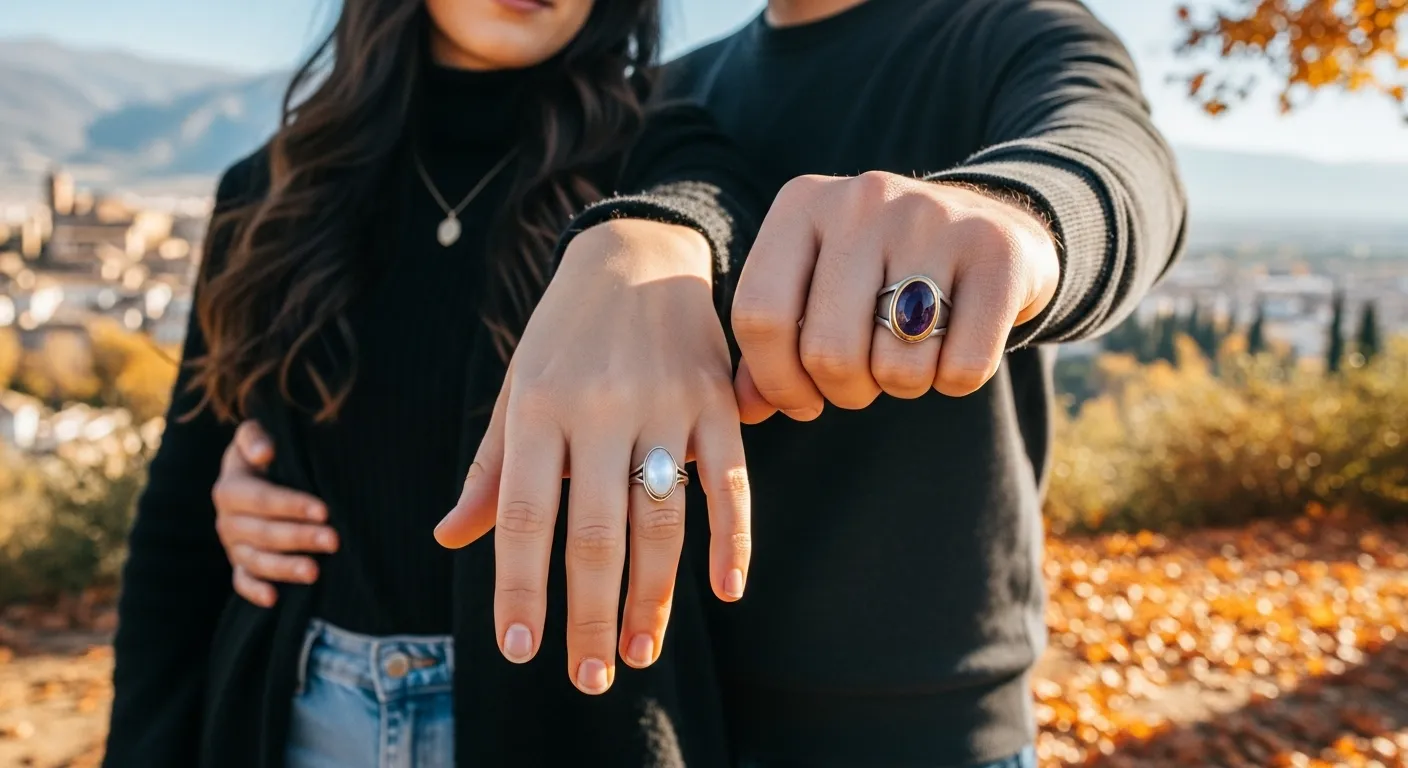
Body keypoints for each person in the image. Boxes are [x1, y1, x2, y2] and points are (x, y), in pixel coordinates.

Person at [213, 0, 1187, 766]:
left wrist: (1012, 223)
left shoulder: (1003, 28)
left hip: (912, 725)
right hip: (675, 702)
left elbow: (1112, 160)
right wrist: (275, 464)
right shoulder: (670, 94)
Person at [103, 0, 769, 766]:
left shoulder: (652, 151)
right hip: (298, 719)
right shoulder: (268, 193)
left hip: (572, 725)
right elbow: (175, 536)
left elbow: (714, 204)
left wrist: (650, 238)